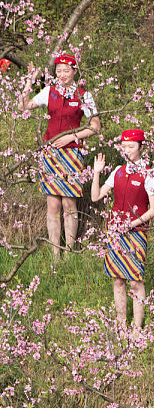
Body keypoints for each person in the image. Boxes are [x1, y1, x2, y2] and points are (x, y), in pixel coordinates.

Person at [20, 53, 101, 259]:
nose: (62, 74)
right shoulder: (49, 91)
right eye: (59, 71)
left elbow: (95, 127)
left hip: (72, 152)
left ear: (75, 71)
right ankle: (55, 253)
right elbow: (24, 106)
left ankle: (70, 250)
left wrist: (71, 137)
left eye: (66, 70)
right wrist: (29, 81)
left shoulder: (84, 95)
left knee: (69, 203)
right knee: (53, 203)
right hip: (50, 153)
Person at [90, 129, 154, 329]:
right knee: (118, 280)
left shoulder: (149, 175)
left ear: (141, 147)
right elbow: (96, 197)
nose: (127, 150)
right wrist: (96, 172)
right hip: (114, 231)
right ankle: (121, 325)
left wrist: (131, 224)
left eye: (131, 146)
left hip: (136, 233)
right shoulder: (118, 172)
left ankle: (137, 328)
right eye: (124, 146)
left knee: (135, 281)